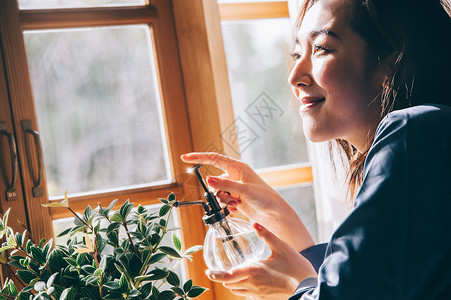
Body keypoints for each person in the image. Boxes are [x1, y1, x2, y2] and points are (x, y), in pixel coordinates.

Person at [182, 0, 451, 298]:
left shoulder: (413, 132)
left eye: (321, 48)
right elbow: (378, 280)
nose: (295, 76)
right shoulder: (429, 134)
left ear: (393, 57)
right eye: (297, 53)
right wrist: (283, 220)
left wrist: (293, 284)